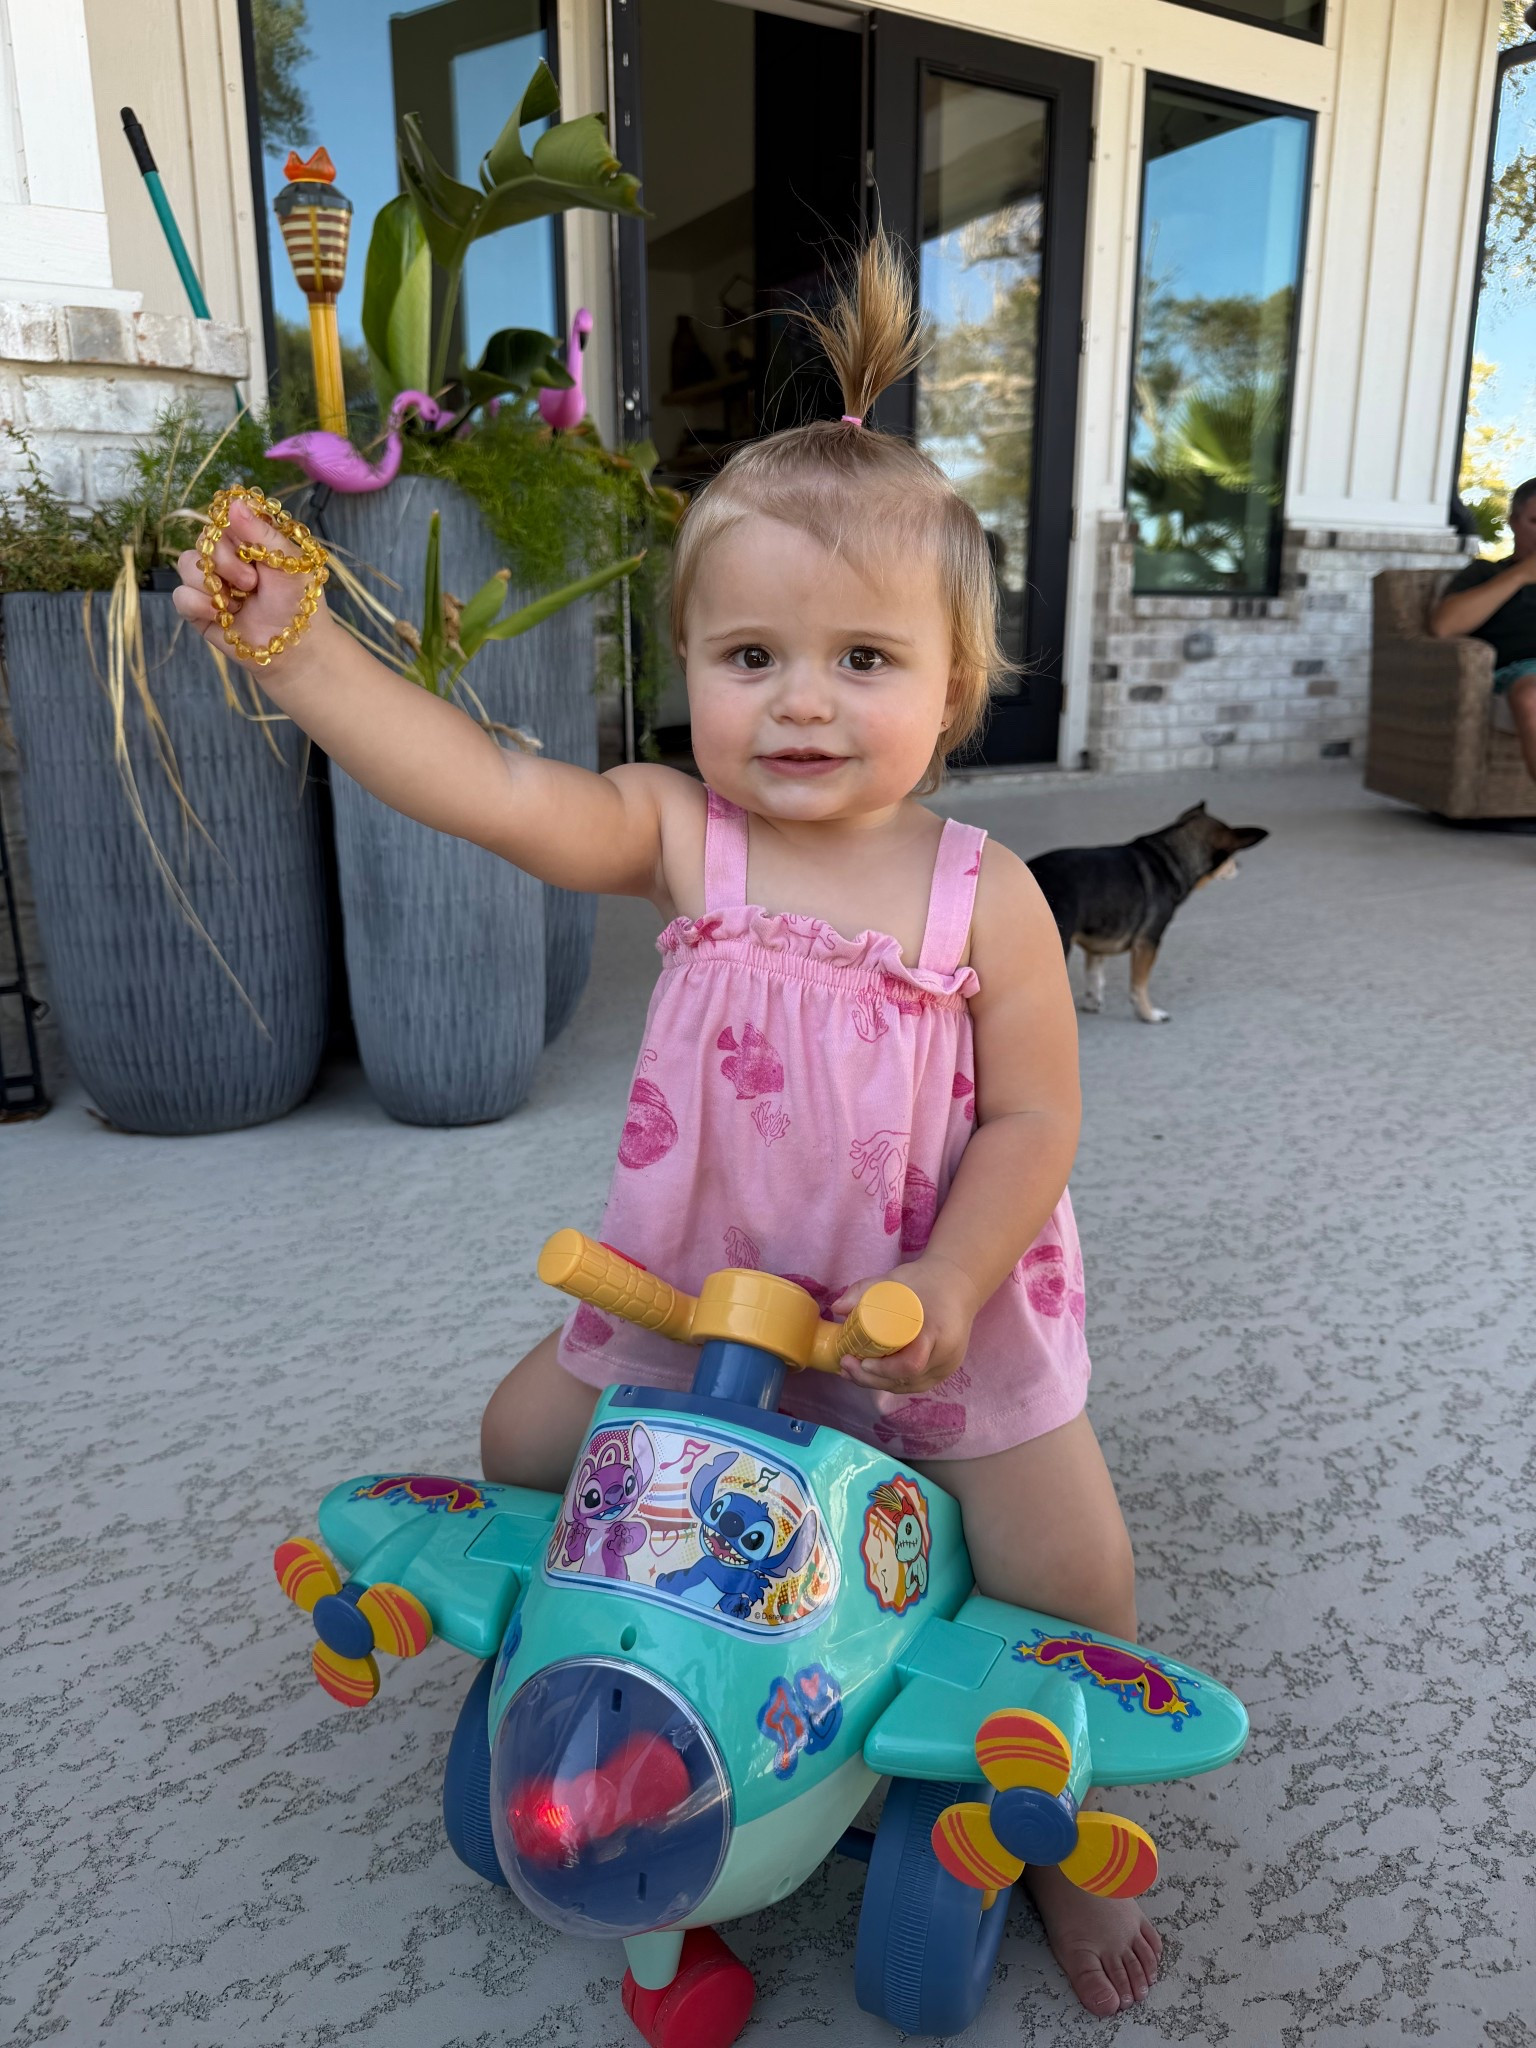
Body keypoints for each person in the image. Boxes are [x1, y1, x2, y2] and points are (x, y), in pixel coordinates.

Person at [174, 232, 1160, 2017]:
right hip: (695, 1289)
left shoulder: (982, 892)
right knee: (518, 1444)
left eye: (862, 658)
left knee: (1073, 1569)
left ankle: (1059, 1829)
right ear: (685, 665)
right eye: (749, 652)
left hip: (922, 1303)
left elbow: (1036, 1115)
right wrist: (302, 660)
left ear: (955, 685)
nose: (797, 698)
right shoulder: (678, 835)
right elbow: (486, 787)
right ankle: (618, 1666)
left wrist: (951, 1270)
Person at [1429, 477, 1536, 779]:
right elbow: (1444, 626)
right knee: (1532, 695)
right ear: (1514, 521)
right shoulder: (1486, 572)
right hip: (1522, 670)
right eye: (1535, 521)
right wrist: (1520, 576)